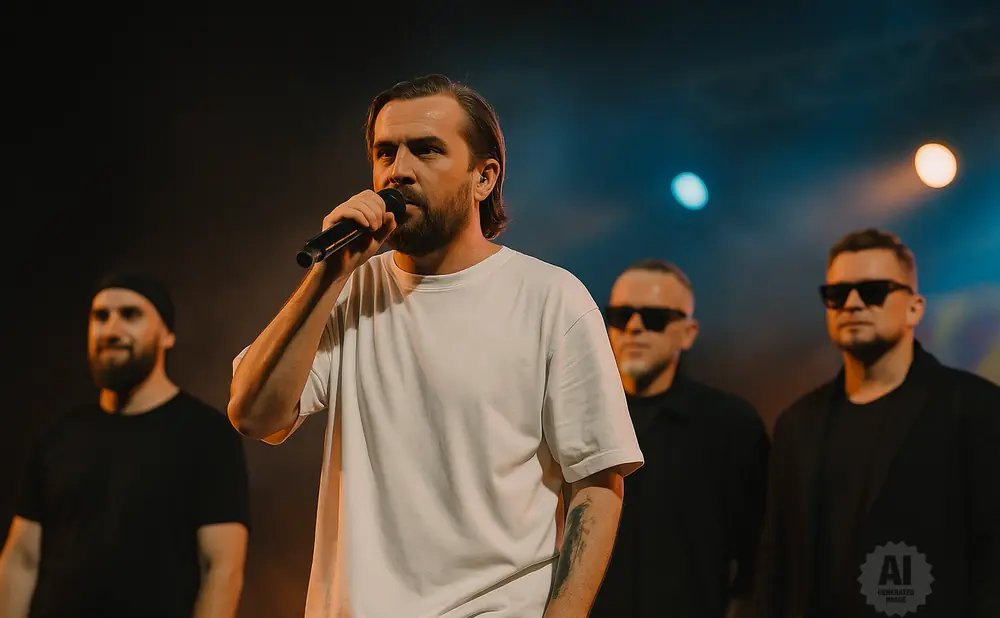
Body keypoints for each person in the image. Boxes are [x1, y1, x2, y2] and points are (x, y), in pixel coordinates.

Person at [228, 74, 644, 618]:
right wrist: (325, 279)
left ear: (483, 177)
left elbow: (596, 482)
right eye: (385, 152)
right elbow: (253, 415)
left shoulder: (550, 298)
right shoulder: (346, 293)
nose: (398, 169)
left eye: (426, 150)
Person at [753, 228, 1000, 618]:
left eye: (873, 291)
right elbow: (775, 565)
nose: (851, 304)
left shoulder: (975, 408)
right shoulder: (796, 424)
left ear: (915, 307)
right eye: (836, 294)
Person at [0, 273, 251, 618]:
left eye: (131, 315)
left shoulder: (207, 436)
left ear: (167, 334)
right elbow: (21, 560)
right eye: (100, 316)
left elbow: (221, 571)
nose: (111, 329)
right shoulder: (59, 436)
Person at [590, 259, 769, 618]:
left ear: (688, 332)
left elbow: (761, 555)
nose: (635, 327)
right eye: (621, 316)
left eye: (654, 318)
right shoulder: (574, 417)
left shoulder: (731, 425)